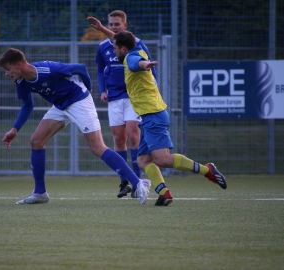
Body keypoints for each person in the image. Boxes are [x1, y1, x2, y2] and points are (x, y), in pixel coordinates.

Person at [87, 19, 227, 206]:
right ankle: (164, 193)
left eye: (115, 49)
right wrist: (104, 29)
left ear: (123, 50)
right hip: (148, 116)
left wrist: (146, 65)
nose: (112, 52)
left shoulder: (131, 58)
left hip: (153, 115)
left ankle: (207, 170)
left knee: (162, 159)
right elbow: (123, 44)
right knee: (143, 161)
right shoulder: (134, 48)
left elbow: (138, 63)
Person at [0, 48, 151, 205]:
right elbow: (28, 105)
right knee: (36, 141)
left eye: (8, 69)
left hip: (78, 100)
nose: (7, 74)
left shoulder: (49, 69)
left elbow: (80, 68)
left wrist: (89, 87)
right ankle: (40, 193)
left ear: (18, 65)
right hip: (60, 105)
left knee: (98, 147)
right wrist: (14, 129)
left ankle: (139, 183)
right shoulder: (21, 82)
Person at [94, 10, 157, 199]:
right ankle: (125, 182)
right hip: (114, 98)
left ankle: (138, 183)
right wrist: (102, 90)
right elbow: (99, 69)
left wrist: (154, 88)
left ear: (125, 26)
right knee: (118, 139)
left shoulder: (135, 44)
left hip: (132, 97)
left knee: (133, 135)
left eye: (116, 24)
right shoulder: (104, 47)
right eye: (111, 24)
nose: (113, 27)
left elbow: (147, 67)